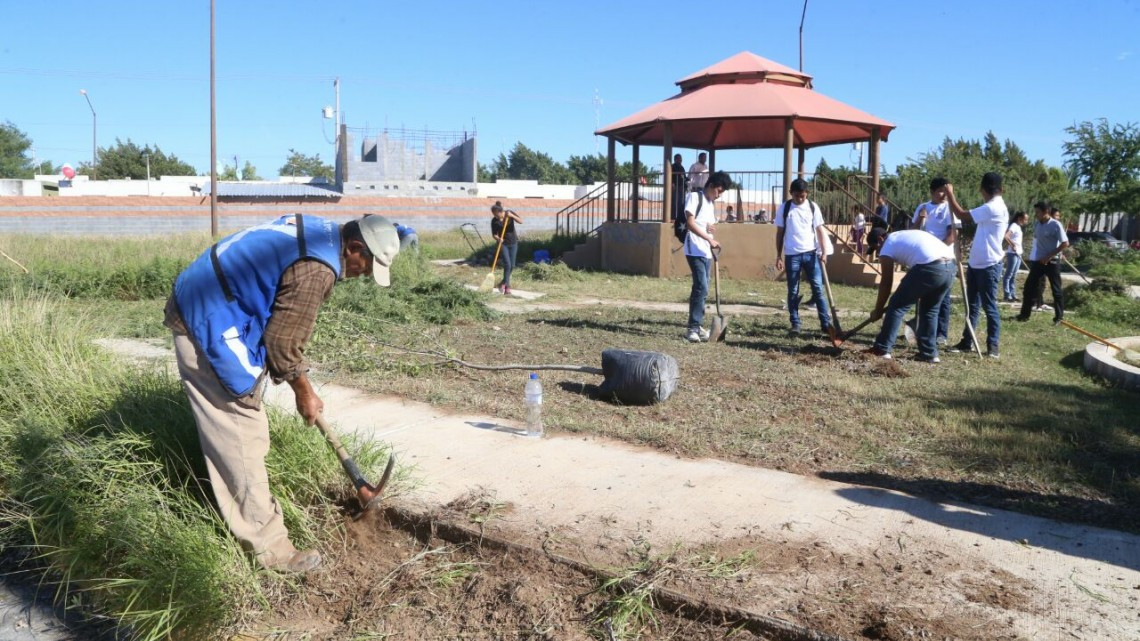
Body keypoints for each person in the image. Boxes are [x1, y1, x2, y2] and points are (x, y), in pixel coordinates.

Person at [164, 213, 400, 574]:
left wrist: (294, 378)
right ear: (354, 248)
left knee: (245, 415)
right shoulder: (317, 268)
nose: (361, 276)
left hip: (210, 296)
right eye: (365, 268)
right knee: (242, 432)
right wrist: (304, 390)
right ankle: (272, 552)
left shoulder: (319, 230)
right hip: (208, 317)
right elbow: (283, 344)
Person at [944, 172, 1009, 358]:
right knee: (972, 306)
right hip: (977, 263)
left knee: (989, 306)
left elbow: (961, 215)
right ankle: (967, 342)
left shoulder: (993, 207)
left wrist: (950, 194)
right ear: (1001, 189)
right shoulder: (995, 206)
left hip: (989, 264)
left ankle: (993, 346)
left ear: (982, 190)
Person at [866, 230, 957, 363]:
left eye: (876, 248)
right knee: (930, 310)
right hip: (950, 267)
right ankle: (929, 354)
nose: (878, 253)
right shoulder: (901, 236)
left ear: (880, 239)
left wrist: (878, 309)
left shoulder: (887, 245)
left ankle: (882, 349)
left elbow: (886, 282)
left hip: (929, 266)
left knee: (897, 306)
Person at [775, 178, 833, 337]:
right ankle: (795, 323)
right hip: (792, 255)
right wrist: (778, 256)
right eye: (796, 196)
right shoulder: (784, 209)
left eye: (803, 196)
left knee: (818, 289)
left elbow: (820, 231)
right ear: (790, 193)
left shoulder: (813, 207)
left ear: (807, 194)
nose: (800, 199)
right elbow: (780, 233)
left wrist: (824, 252)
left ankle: (826, 323)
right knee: (793, 290)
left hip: (811, 254)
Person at [907, 177, 961, 346]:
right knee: (922, 296)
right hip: (922, 259)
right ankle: (921, 328)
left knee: (942, 298)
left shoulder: (950, 209)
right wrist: (919, 219)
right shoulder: (923, 207)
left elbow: (952, 235)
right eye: (940, 191)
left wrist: (937, 251)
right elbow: (912, 232)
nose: (943, 195)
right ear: (932, 191)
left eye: (946, 191)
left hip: (943, 259)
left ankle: (941, 334)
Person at [681, 171, 731, 342]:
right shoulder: (695, 197)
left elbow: (706, 225)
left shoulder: (710, 204)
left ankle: (698, 324)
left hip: (706, 251)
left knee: (703, 289)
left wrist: (710, 231)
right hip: (693, 248)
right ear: (710, 186)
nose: (719, 195)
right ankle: (692, 328)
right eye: (718, 191)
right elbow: (690, 223)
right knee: (701, 286)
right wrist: (709, 238)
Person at [1016, 202, 1069, 324]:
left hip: (1052, 262)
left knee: (1056, 290)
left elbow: (1065, 243)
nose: (1036, 215)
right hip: (1039, 262)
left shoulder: (1056, 225)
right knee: (1029, 287)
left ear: (1046, 212)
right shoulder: (1038, 224)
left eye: (1038, 212)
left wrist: (1049, 256)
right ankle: (1024, 315)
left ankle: (1059, 317)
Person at [490, 201, 523, 295]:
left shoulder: (509, 213)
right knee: (507, 264)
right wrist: (498, 238)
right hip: (503, 244)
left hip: (513, 243)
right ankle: (507, 287)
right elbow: (494, 234)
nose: (495, 216)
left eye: (496, 214)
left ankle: (502, 283)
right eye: (493, 214)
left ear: (500, 212)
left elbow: (521, 221)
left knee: (512, 265)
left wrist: (512, 216)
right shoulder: (494, 221)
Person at [1002, 211, 1028, 302]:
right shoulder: (1013, 225)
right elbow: (1006, 236)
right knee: (1009, 274)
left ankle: (1013, 294)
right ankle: (1007, 294)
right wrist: (1012, 244)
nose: (1026, 221)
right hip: (1012, 254)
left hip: (1018, 253)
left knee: (1014, 275)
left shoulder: (1018, 227)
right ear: (1019, 218)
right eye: (1025, 219)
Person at [671, 153, 689, 222]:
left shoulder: (682, 167)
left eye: (681, 158)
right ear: (675, 159)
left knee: (681, 203)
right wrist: (672, 184)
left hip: (682, 187)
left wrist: (688, 180)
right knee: (675, 202)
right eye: (679, 158)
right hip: (675, 187)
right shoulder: (672, 166)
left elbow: (684, 177)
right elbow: (671, 176)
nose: (680, 160)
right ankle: (673, 216)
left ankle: (680, 216)